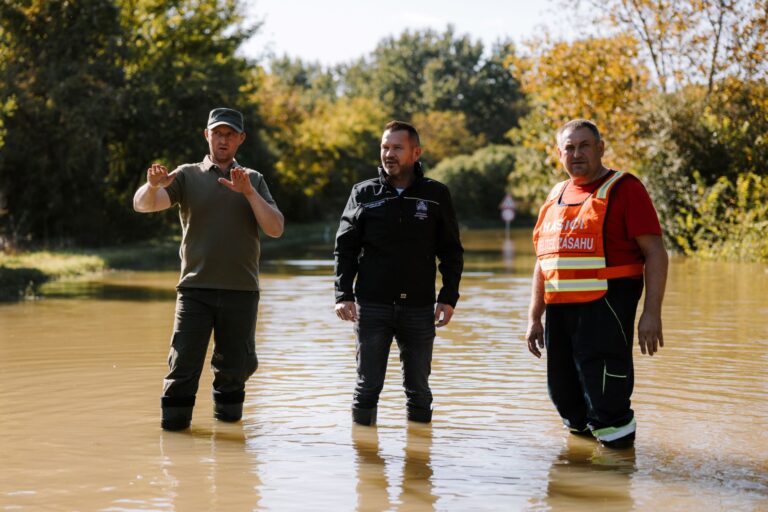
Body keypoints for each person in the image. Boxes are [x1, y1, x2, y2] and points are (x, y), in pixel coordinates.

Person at [133, 107, 284, 431]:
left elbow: (275, 228)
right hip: (194, 291)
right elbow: (143, 204)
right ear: (207, 135)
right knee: (182, 368)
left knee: (234, 373)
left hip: (241, 293)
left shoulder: (253, 179)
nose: (223, 139)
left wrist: (247, 192)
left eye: (230, 134)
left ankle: (230, 444)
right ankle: (173, 444)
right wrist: (153, 186)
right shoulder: (187, 175)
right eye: (218, 133)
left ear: (241, 139)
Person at [525, 119, 668, 449]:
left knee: (606, 398)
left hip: (606, 309)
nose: (576, 153)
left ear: (600, 148)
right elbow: (543, 261)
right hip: (560, 316)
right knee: (564, 396)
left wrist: (652, 312)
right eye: (569, 148)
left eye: (584, 145)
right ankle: (579, 476)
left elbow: (656, 252)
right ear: (559, 153)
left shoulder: (625, 188)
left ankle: (618, 474)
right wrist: (534, 317)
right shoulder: (555, 195)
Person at [334, 120, 464, 426]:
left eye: (396, 148)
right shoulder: (363, 193)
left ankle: (418, 466)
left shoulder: (436, 194)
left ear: (415, 152)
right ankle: (365, 465)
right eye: (384, 147)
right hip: (372, 306)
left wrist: (449, 297)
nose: (388, 154)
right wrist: (343, 294)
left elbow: (451, 251)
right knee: (367, 388)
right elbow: (345, 248)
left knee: (418, 390)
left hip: (419, 308)